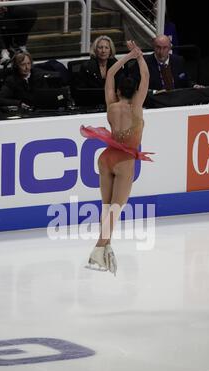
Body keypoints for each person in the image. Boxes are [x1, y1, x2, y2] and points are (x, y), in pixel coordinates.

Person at [80, 41, 153, 275]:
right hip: (124, 161)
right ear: (135, 93)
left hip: (106, 158)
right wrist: (139, 57)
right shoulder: (136, 108)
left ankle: (106, 247)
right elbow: (146, 78)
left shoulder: (111, 105)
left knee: (106, 207)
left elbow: (111, 73)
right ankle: (98, 249)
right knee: (115, 208)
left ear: (119, 90)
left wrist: (127, 57)